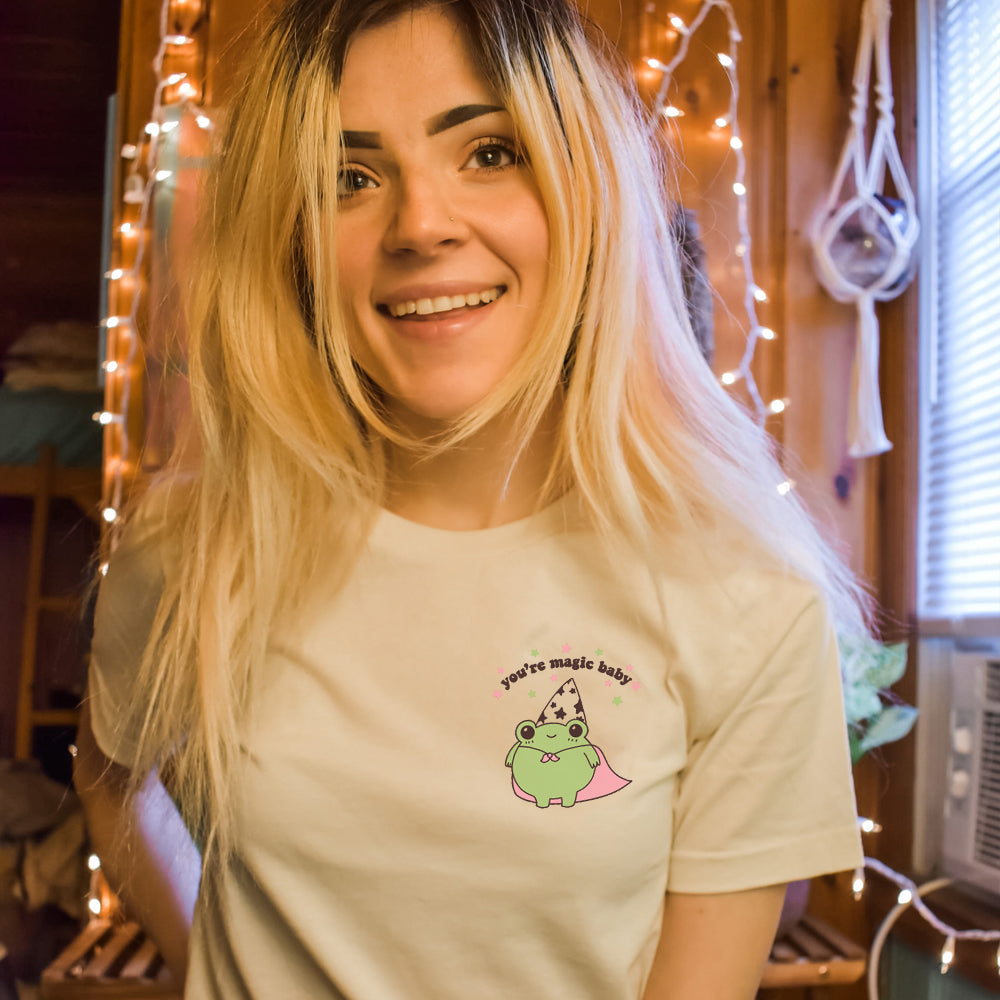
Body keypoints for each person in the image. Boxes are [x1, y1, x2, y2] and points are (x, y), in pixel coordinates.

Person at [75, 1, 868, 997]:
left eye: (488, 153)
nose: (419, 224)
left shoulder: (749, 598)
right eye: (347, 178)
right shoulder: (194, 545)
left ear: (588, 191)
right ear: (293, 245)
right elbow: (109, 784)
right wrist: (212, 964)